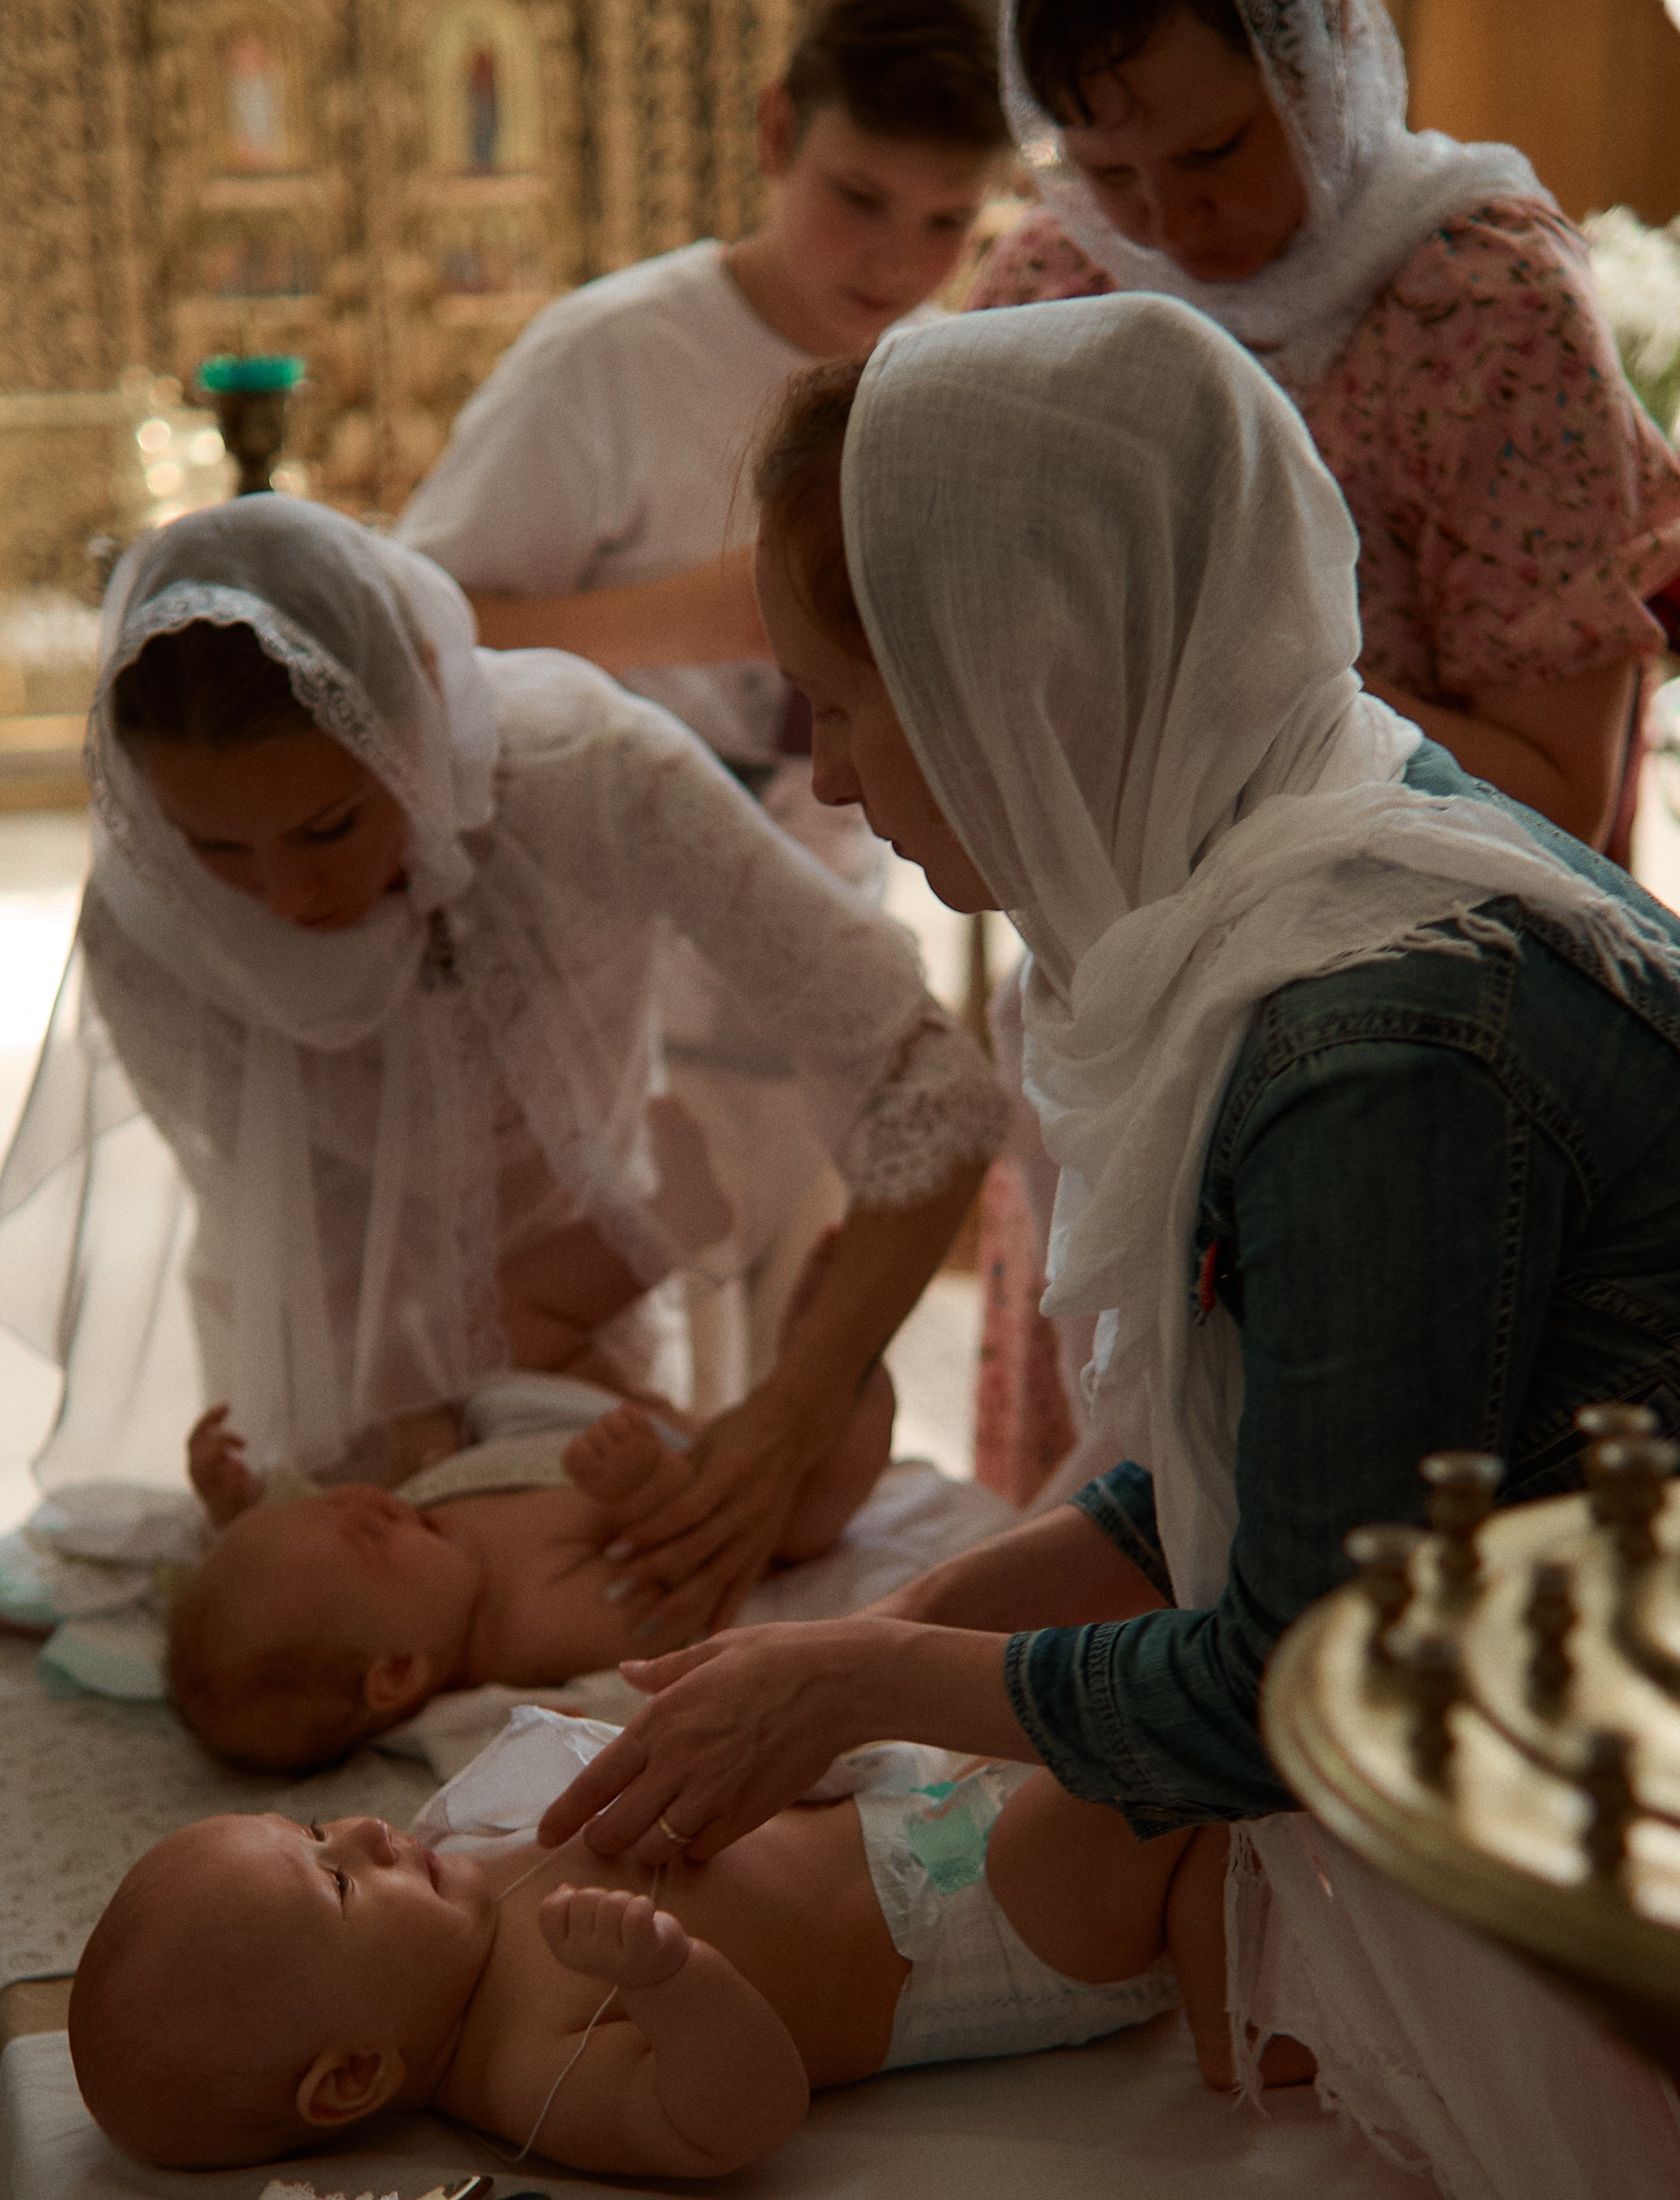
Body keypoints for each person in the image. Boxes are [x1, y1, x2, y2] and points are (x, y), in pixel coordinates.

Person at [526, 300, 1680, 1894]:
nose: (833, 774)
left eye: (844, 705)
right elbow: (1297, 1456)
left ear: (1031, 677)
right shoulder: (1297, 833)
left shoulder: (1377, 1050)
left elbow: (1307, 1693)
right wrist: (900, 1628)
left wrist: (864, 1682)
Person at [0, 496, 1007, 1645]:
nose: (286, 895)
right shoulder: (152, 923)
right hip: (327, 1364)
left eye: (328, 826)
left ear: (421, 696)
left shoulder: (583, 773)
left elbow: (928, 1079)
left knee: (698, 1527)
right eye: (216, 845)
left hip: (577, 1351)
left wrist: (797, 1406)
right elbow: (291, 1225)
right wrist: (329, 1483)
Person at [962, 0, 1680, 1501]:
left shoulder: (1472, 297)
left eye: (1214, 151)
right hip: (1124, 1033)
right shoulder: (1052, 286)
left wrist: (1233, 671)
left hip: (1405, 1046)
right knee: (1107, 1514)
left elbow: (1554, 789)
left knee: (1345, 1536)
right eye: (1106, 169)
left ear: (1323, 68)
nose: (1168, 221)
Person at [68, 1726, 1296, 2181]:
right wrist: (672, 1980)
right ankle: (1222, 2017)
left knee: (1098, 1674)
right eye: (338, 1880)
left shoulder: (465, 1864)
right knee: (1173, 1746)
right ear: (353, 2074)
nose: (364, 1830)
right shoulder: (523, 2066)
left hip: (916, 1805)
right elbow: (738, 2123)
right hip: (987, 1925)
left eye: (313, 1827)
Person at [396, 0, 1009, 892]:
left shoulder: (946, 378)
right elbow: (416, 636)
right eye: (858, 198)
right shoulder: (607, 355)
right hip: (594, 882)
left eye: (947, 221)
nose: (894, 261)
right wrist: (697, 619)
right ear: (777, 132)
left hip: (835, 882)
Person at [172, 1246, 896, 1776]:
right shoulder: (531, 1627)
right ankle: (821, 1355)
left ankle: (658, 1221)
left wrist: (239, 1507)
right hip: (711, 1487)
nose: (365, 1500)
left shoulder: (411, 1561)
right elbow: (674, 1586)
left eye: (326, 1504)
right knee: (834, 1476)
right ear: (396, 1673)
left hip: (549, 1420)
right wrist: (641, 1485)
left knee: (498, 1312)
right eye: (364, 1531)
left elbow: (299, 1558)